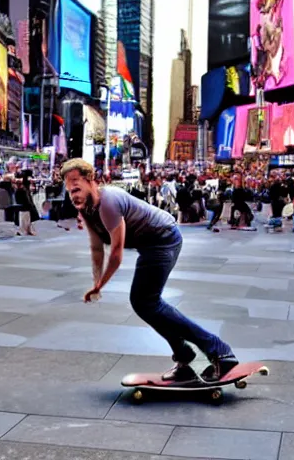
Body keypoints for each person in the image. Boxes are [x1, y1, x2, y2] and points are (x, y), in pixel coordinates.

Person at [61, 158, 239, 383]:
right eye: (68, 190)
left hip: (164, 238)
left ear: (90, 181)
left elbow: (115, 254)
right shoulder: (86, 209)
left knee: (147, 303)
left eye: (76, 187)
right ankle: (187, 358)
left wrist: (100, 285)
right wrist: (95, 283)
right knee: (146, 304)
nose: (73, 194)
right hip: (150, 245)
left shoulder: (109, 202)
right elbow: (96, 248)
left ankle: (218, 350)